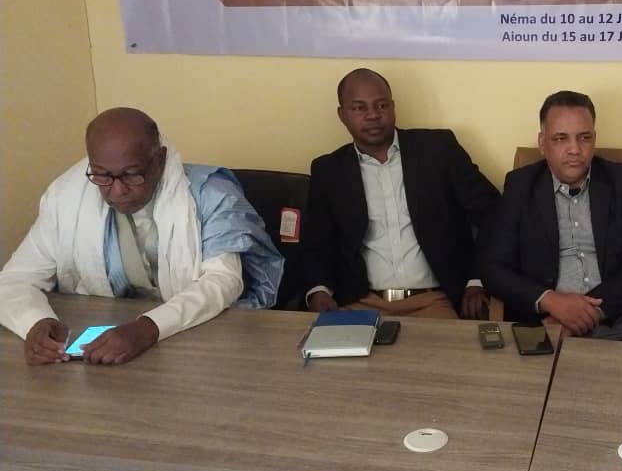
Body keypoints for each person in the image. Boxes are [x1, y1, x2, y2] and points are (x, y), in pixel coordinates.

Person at [0, 107, 283, 366]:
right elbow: (14, 280)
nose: (117, 190)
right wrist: (34, 322)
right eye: (102, 176)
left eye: (131, 175)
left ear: (159, 160)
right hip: (105, 349)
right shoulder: (67, 198)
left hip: (197, 346)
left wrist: (148, 328)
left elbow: (223, 281)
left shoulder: (210, 196)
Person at [302, 68, 500, 319]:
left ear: (393, 107)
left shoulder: (438, 150)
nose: (373, 115)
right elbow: (317, 241)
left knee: (447, 346)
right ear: (342, 115)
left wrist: (476, 280)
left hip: (433, 301)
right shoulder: (329, 170)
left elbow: (494, 214)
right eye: (360, 108)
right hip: (359, 302)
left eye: (382, 105)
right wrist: (319, 291)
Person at [483, 90, 622, 344]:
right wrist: (551, 301)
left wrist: (585, 313)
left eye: (584, 138)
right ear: (542, 143)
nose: (574, 149)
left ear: (594, 139)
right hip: (547, 325)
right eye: (561, 138)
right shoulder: (520, 186)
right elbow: (494, 268)